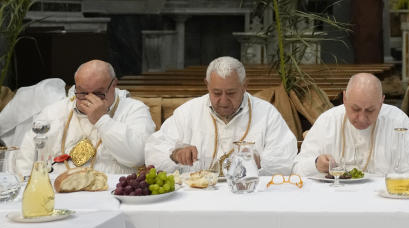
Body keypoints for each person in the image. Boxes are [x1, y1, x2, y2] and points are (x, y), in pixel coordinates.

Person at [144, 56, 297, 175]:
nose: (223, 100)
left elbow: (286, 161)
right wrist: (175, 155)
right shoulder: (188, 112)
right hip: (198, 198)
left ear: (244, 86)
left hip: (248, 197)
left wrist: (259, 161)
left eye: (231, 93)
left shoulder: (266, 114)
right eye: (216, 93)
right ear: (207, 85)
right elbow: (153, 152)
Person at [15, 60, 155, 176]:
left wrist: (102, 120)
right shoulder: (55, 112)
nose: (89, 99)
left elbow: (137, 157)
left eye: (98, 93)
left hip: (112, 193)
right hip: (62, 195)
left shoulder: (134, 110)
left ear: (113, 85)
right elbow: (28, 158)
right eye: (82, 93)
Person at [293, 73, 409, 177]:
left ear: (381, 102)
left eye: (370, 110)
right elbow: (296, 168)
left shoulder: (398, 121)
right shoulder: (328, 121)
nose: (362, 118)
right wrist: (316, 164)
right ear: (344, 99)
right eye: (355, 109)